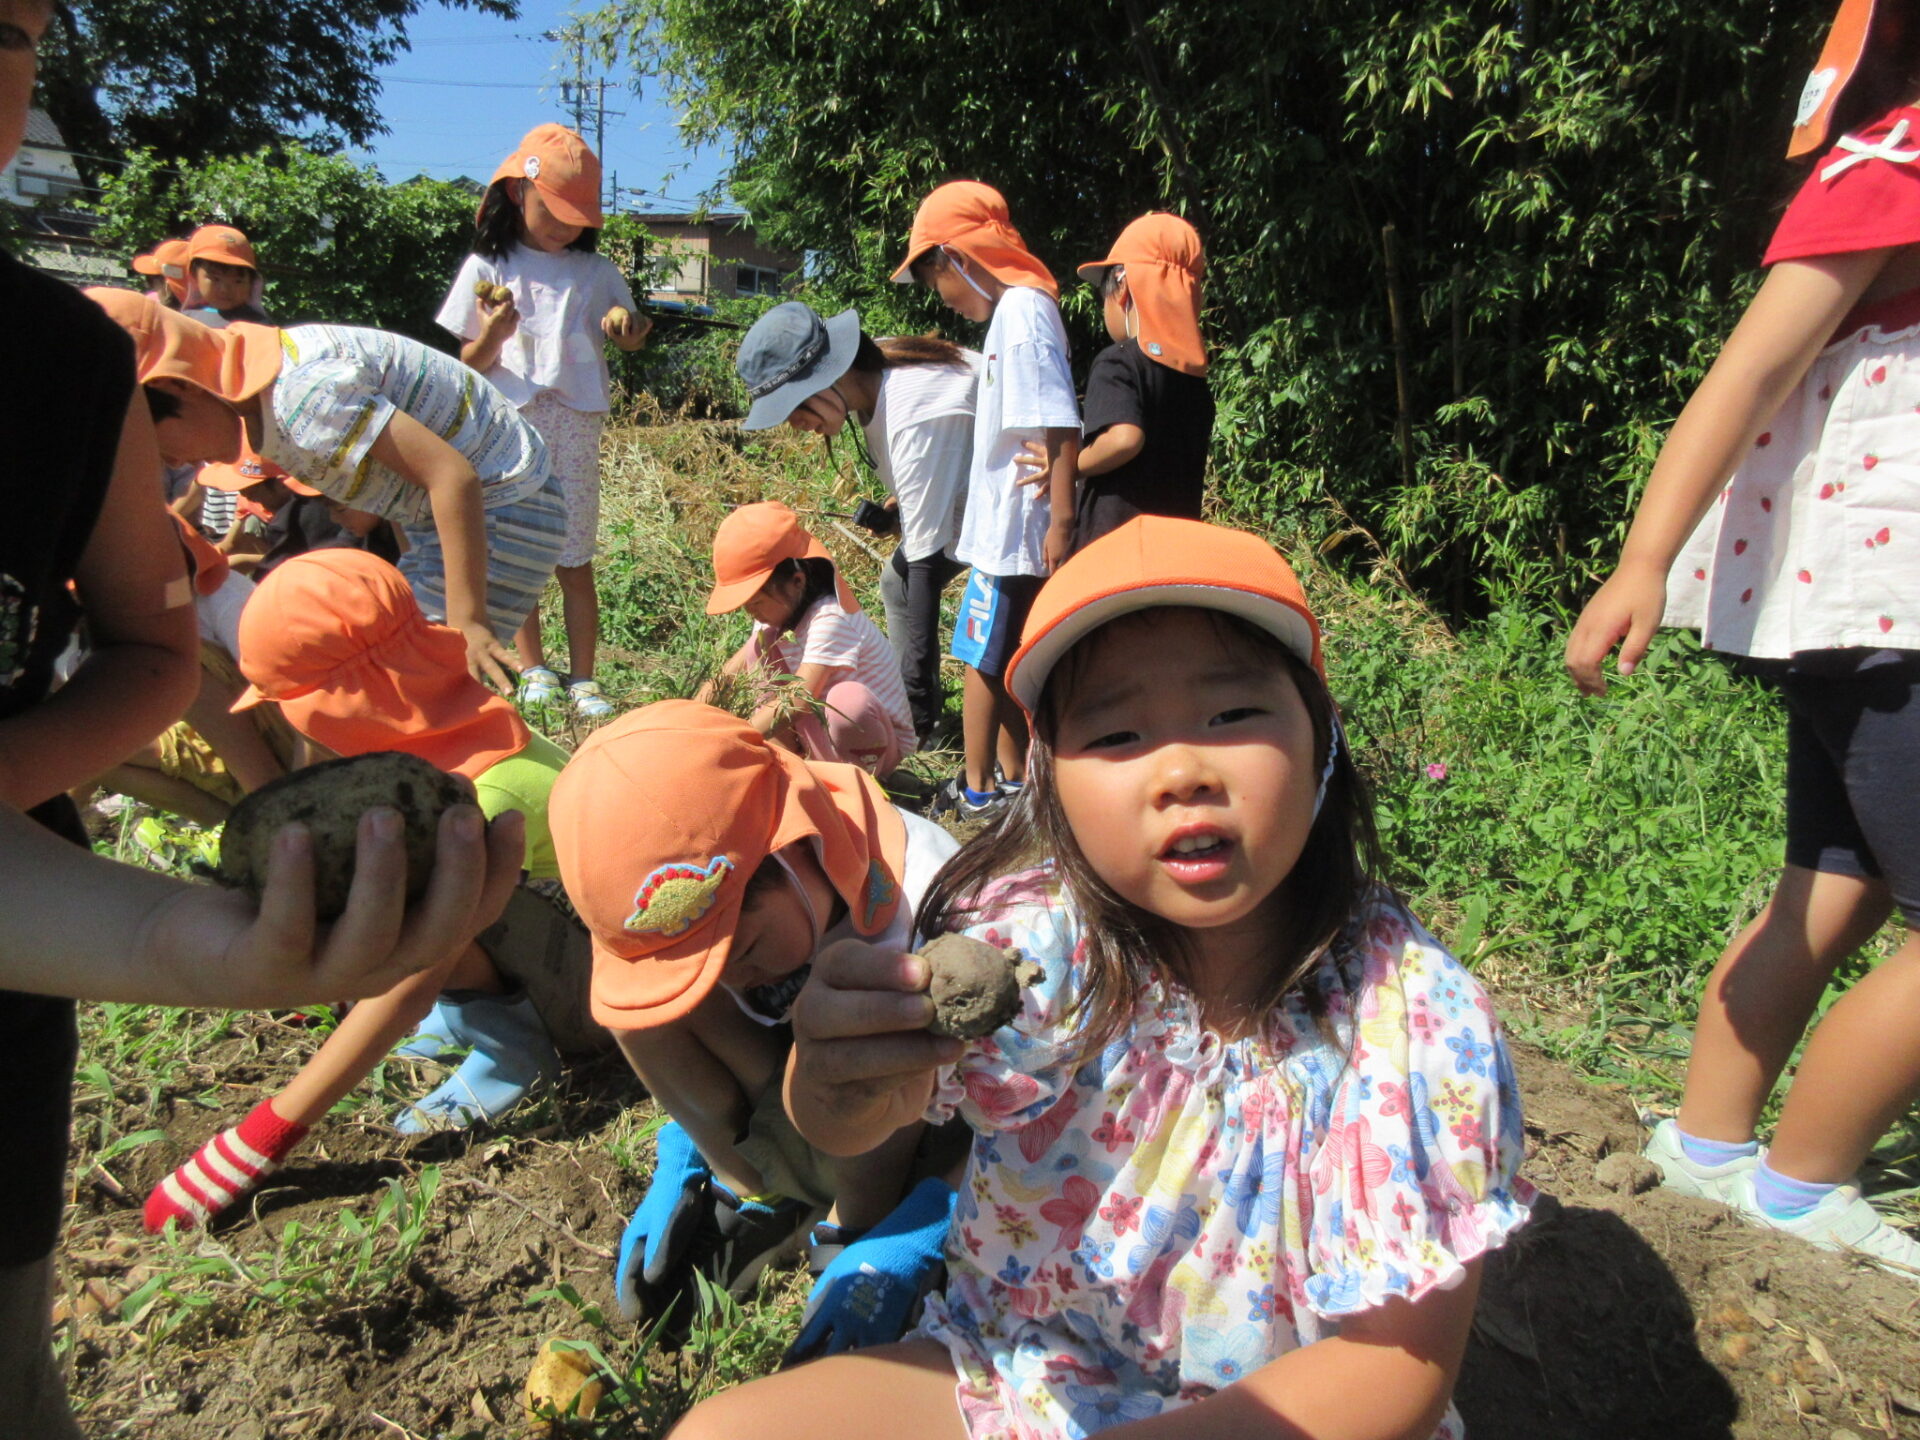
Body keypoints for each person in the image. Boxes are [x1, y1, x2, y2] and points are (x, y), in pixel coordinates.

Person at [672, 516, 1534, 1439]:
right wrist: (833, 1077)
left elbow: (1391, 1370)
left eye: (1233, 715)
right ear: (1049, 784)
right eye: (1117, 733)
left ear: (1321, 739)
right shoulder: (1036, 940)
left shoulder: (1410, 1021)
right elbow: (859, 1121)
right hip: (1019, 1363)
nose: (1181, 771)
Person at [0, 2, 518, 1426]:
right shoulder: (236, 535)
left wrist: (267, 1118)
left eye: (13, 33)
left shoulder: (484, 802)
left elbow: (409, 948)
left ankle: (507, 1027)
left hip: (499, 962)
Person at [1565, 0, 1920, 1276]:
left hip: (1868, 600)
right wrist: (1642, 560)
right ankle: (1802, 1182)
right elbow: (1749, 369)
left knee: (1834, 878)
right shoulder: (1900, 157)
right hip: (1888, 599)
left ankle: (1710, 1146)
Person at [143, 549, 604, 1232]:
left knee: (417, 896)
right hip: (554, 948)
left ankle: (515, 1050)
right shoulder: (457, 729)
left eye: (291, 703)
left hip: (597, 1001)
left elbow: (409, 980)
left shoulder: (477, 799)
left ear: (343, 701)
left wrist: (260, 1138)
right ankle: (479, 1012)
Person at [549, 700, 963, 1356]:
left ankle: (857, 1226)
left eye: (739, 952)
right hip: (794, 1079)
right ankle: (750, 1182)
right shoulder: (762, 911)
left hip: (912, 1115)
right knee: (643, 1011)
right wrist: (696, 1137)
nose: (725, 980)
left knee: (871, 1038)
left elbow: (1030, 1101)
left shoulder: (933, 908)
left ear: (797, 847)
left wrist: (940, 1213)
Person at [88, 286, 566, 693]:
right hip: (452, 513)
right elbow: (400, 484)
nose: (172, 463)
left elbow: (451, 475)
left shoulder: (302, 396)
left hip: (506, 501)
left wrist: (468, 619)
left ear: (181, 386)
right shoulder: (266, 393)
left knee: (411, 679)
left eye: (156, 446)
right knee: (395, 665)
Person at [437, 124, 651, 721]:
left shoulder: (596, 272)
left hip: (575, 425)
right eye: (551, 212)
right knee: (519, 553)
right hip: (510, 424)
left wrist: (626, 328)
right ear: (517, 193)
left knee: (574, 557)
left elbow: (630, 334)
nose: (563, 227)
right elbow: (468, 365)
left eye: (575, 218)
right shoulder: (488, 267)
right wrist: (494, 333)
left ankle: (583, 678)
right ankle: (533, 669)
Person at [896, 181, 1079, 819]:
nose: (942, 298)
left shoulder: (1024, 311)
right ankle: (1012, 779)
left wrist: (1061, 520)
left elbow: (1059, 418)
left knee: (978, 656)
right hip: (1006, 525)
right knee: (1001, 660)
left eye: (935, 281)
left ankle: (976, 790)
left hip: (1016, 531)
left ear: (957, 257)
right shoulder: (1015, 311)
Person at [734, 301, 977, 746]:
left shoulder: (914, 411)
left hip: (1035, 515)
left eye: (793, 407)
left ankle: (919, 722)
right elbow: (942, 469)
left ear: (824, 378)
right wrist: (897, 511)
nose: (796, 424)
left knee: (923, 589)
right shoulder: (873, 376)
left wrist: (918, 702)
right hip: (976, 508)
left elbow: (925, 564)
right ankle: (910, 709)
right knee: (897, 583)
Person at [700, 501, 917, 778]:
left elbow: (798, 700)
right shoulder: (777, 613)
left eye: (755, 602)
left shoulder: (830, 618)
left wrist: (736, 741)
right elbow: (731, 673)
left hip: (874, 745)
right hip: (821, 731)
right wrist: (691, 714)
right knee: (758, 647)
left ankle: (856, 783)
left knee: (848, 700)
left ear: (797, 581)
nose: (750, 612)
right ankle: (791, 766)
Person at [1065, 212, 1215, 544]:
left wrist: (1069, 466)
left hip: (1117, 545)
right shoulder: (1195, 383)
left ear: (1123, 288)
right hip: (1176, 543)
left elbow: (1124, 439)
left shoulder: (1118, 361)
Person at [183, 223, 272, 325]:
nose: (224, 289)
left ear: (252, 283)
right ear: (194, 275)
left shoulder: (259, 325)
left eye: (238, 281)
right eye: (216, 279)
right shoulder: (185, 320)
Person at [131, 237, 189, 307]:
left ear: (167, 287)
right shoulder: (151, 299)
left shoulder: (150, 307)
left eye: (151, 279)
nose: (149, 286)